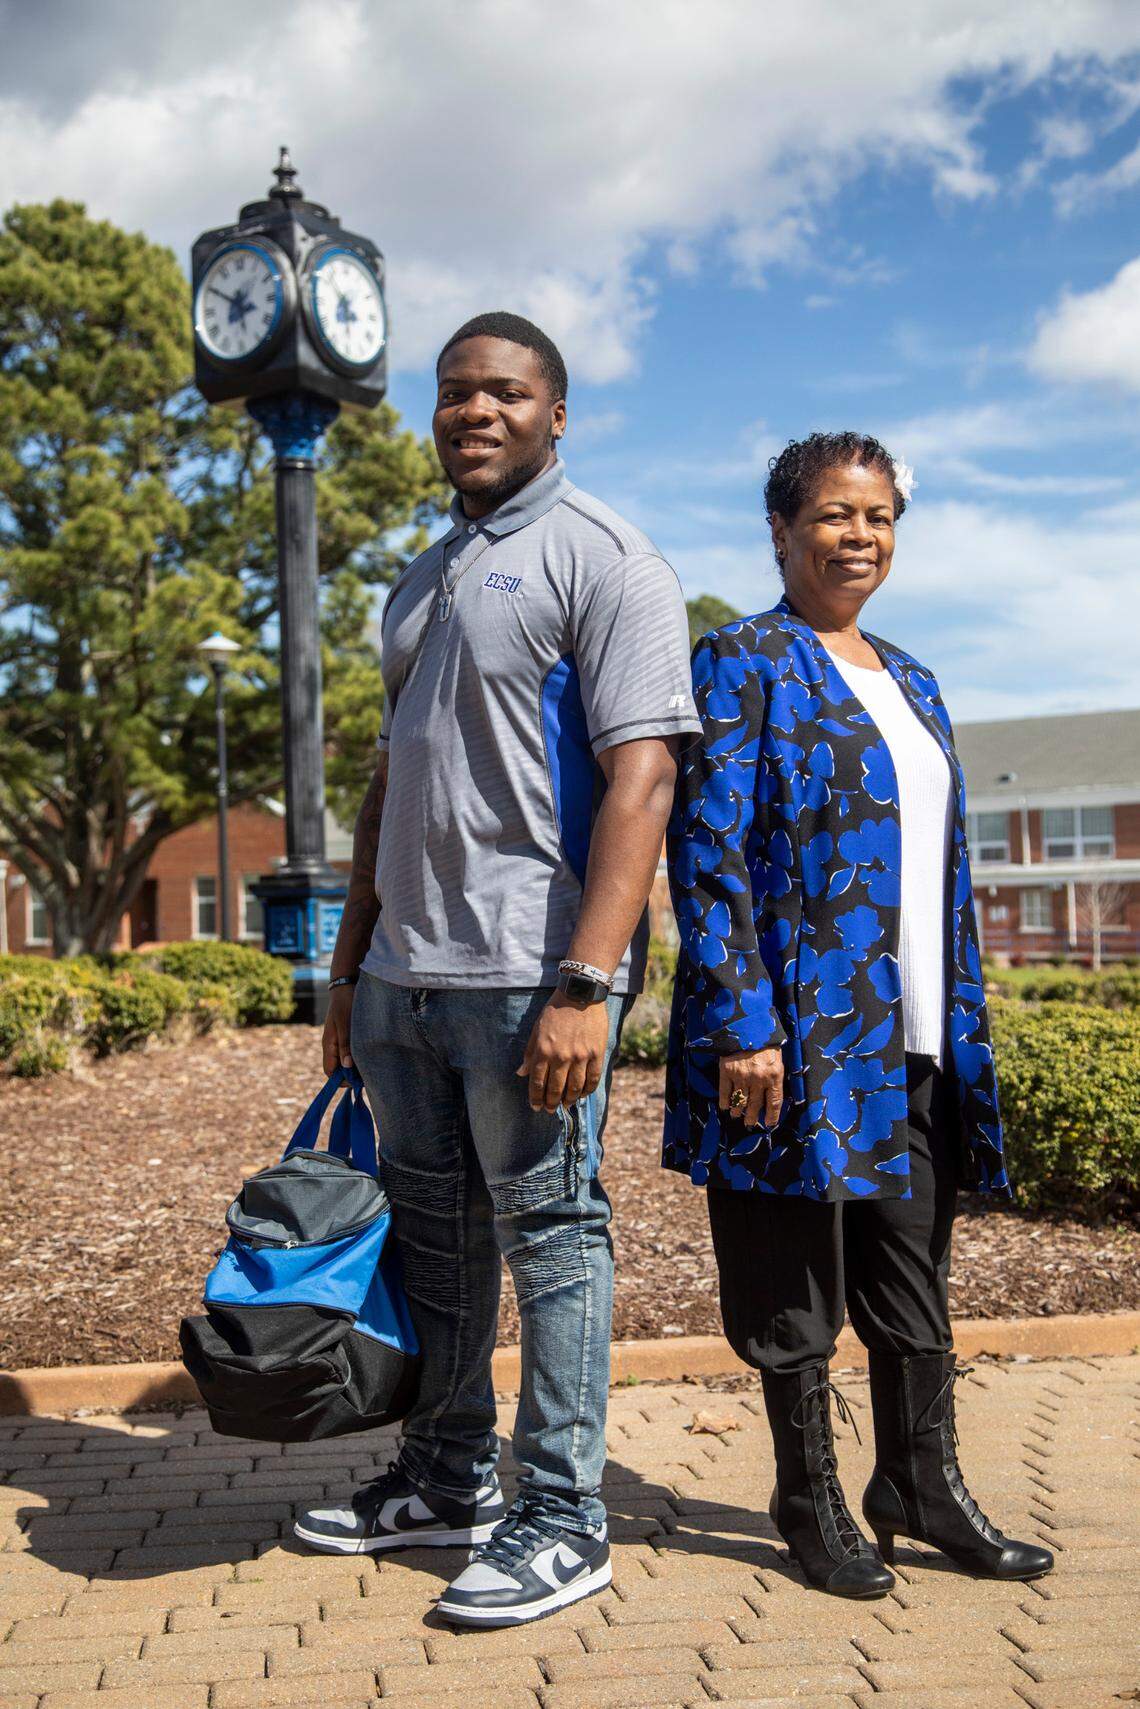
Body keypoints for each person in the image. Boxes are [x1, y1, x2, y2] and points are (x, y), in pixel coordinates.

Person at [294, 312, 701, 1626]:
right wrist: (351, 966)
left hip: (534, 973)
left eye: (504, 393)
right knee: (437, 1238)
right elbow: (387, 778)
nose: (474, 411)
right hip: (404, 980)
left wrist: (592, 980)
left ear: (556, 413)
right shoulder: (416, 580)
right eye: (454, 393)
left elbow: (645, 775)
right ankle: (447, 1475)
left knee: (554, 1238)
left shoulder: (608, 560)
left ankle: (561, 1517)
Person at [664, 432, 1053, 1598]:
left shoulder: (916, 675)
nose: (860, 534)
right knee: (793, 1277)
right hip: (800, 1039)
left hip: (918, 1035)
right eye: (835, 513)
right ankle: (807, 1496)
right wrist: (744, 1023)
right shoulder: (742, 659)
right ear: (781, 530)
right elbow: (710, 847)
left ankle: (920, 1484)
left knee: (910, 1269)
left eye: (878, 515)